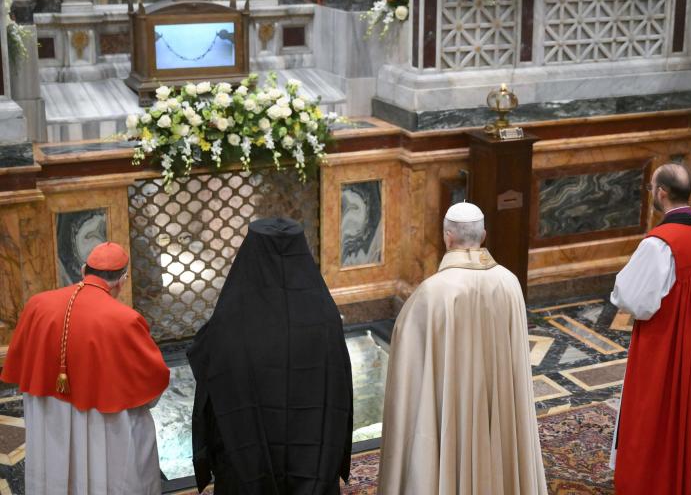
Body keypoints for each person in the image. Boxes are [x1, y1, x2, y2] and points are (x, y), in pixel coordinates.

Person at [378, 201, 548, 495]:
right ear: (483, 236)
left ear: (447, 237)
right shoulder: (509, 283)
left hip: (450, 410)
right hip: (499, 407)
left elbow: (409, 368)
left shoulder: (433, 292)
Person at [188, 218, 353, 494]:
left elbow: (209, 373)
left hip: (247, 456)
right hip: (310, 456)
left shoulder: (230, 317)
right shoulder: (326, 316)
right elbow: (339, 386)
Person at [1, 242, 170, 494]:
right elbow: (151, 382)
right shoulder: (125, 319)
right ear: (122, 280)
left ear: (83, 270)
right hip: (107, 421)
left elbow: (23, 359)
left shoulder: (37, 304)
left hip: (51, 414)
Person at [610, 164, 691, 495]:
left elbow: (632, 298)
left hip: (664, 342)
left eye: (652, 188)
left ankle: (652, 483)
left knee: (655, 409)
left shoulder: (659, 244)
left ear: (662, 192)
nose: (652, 193)